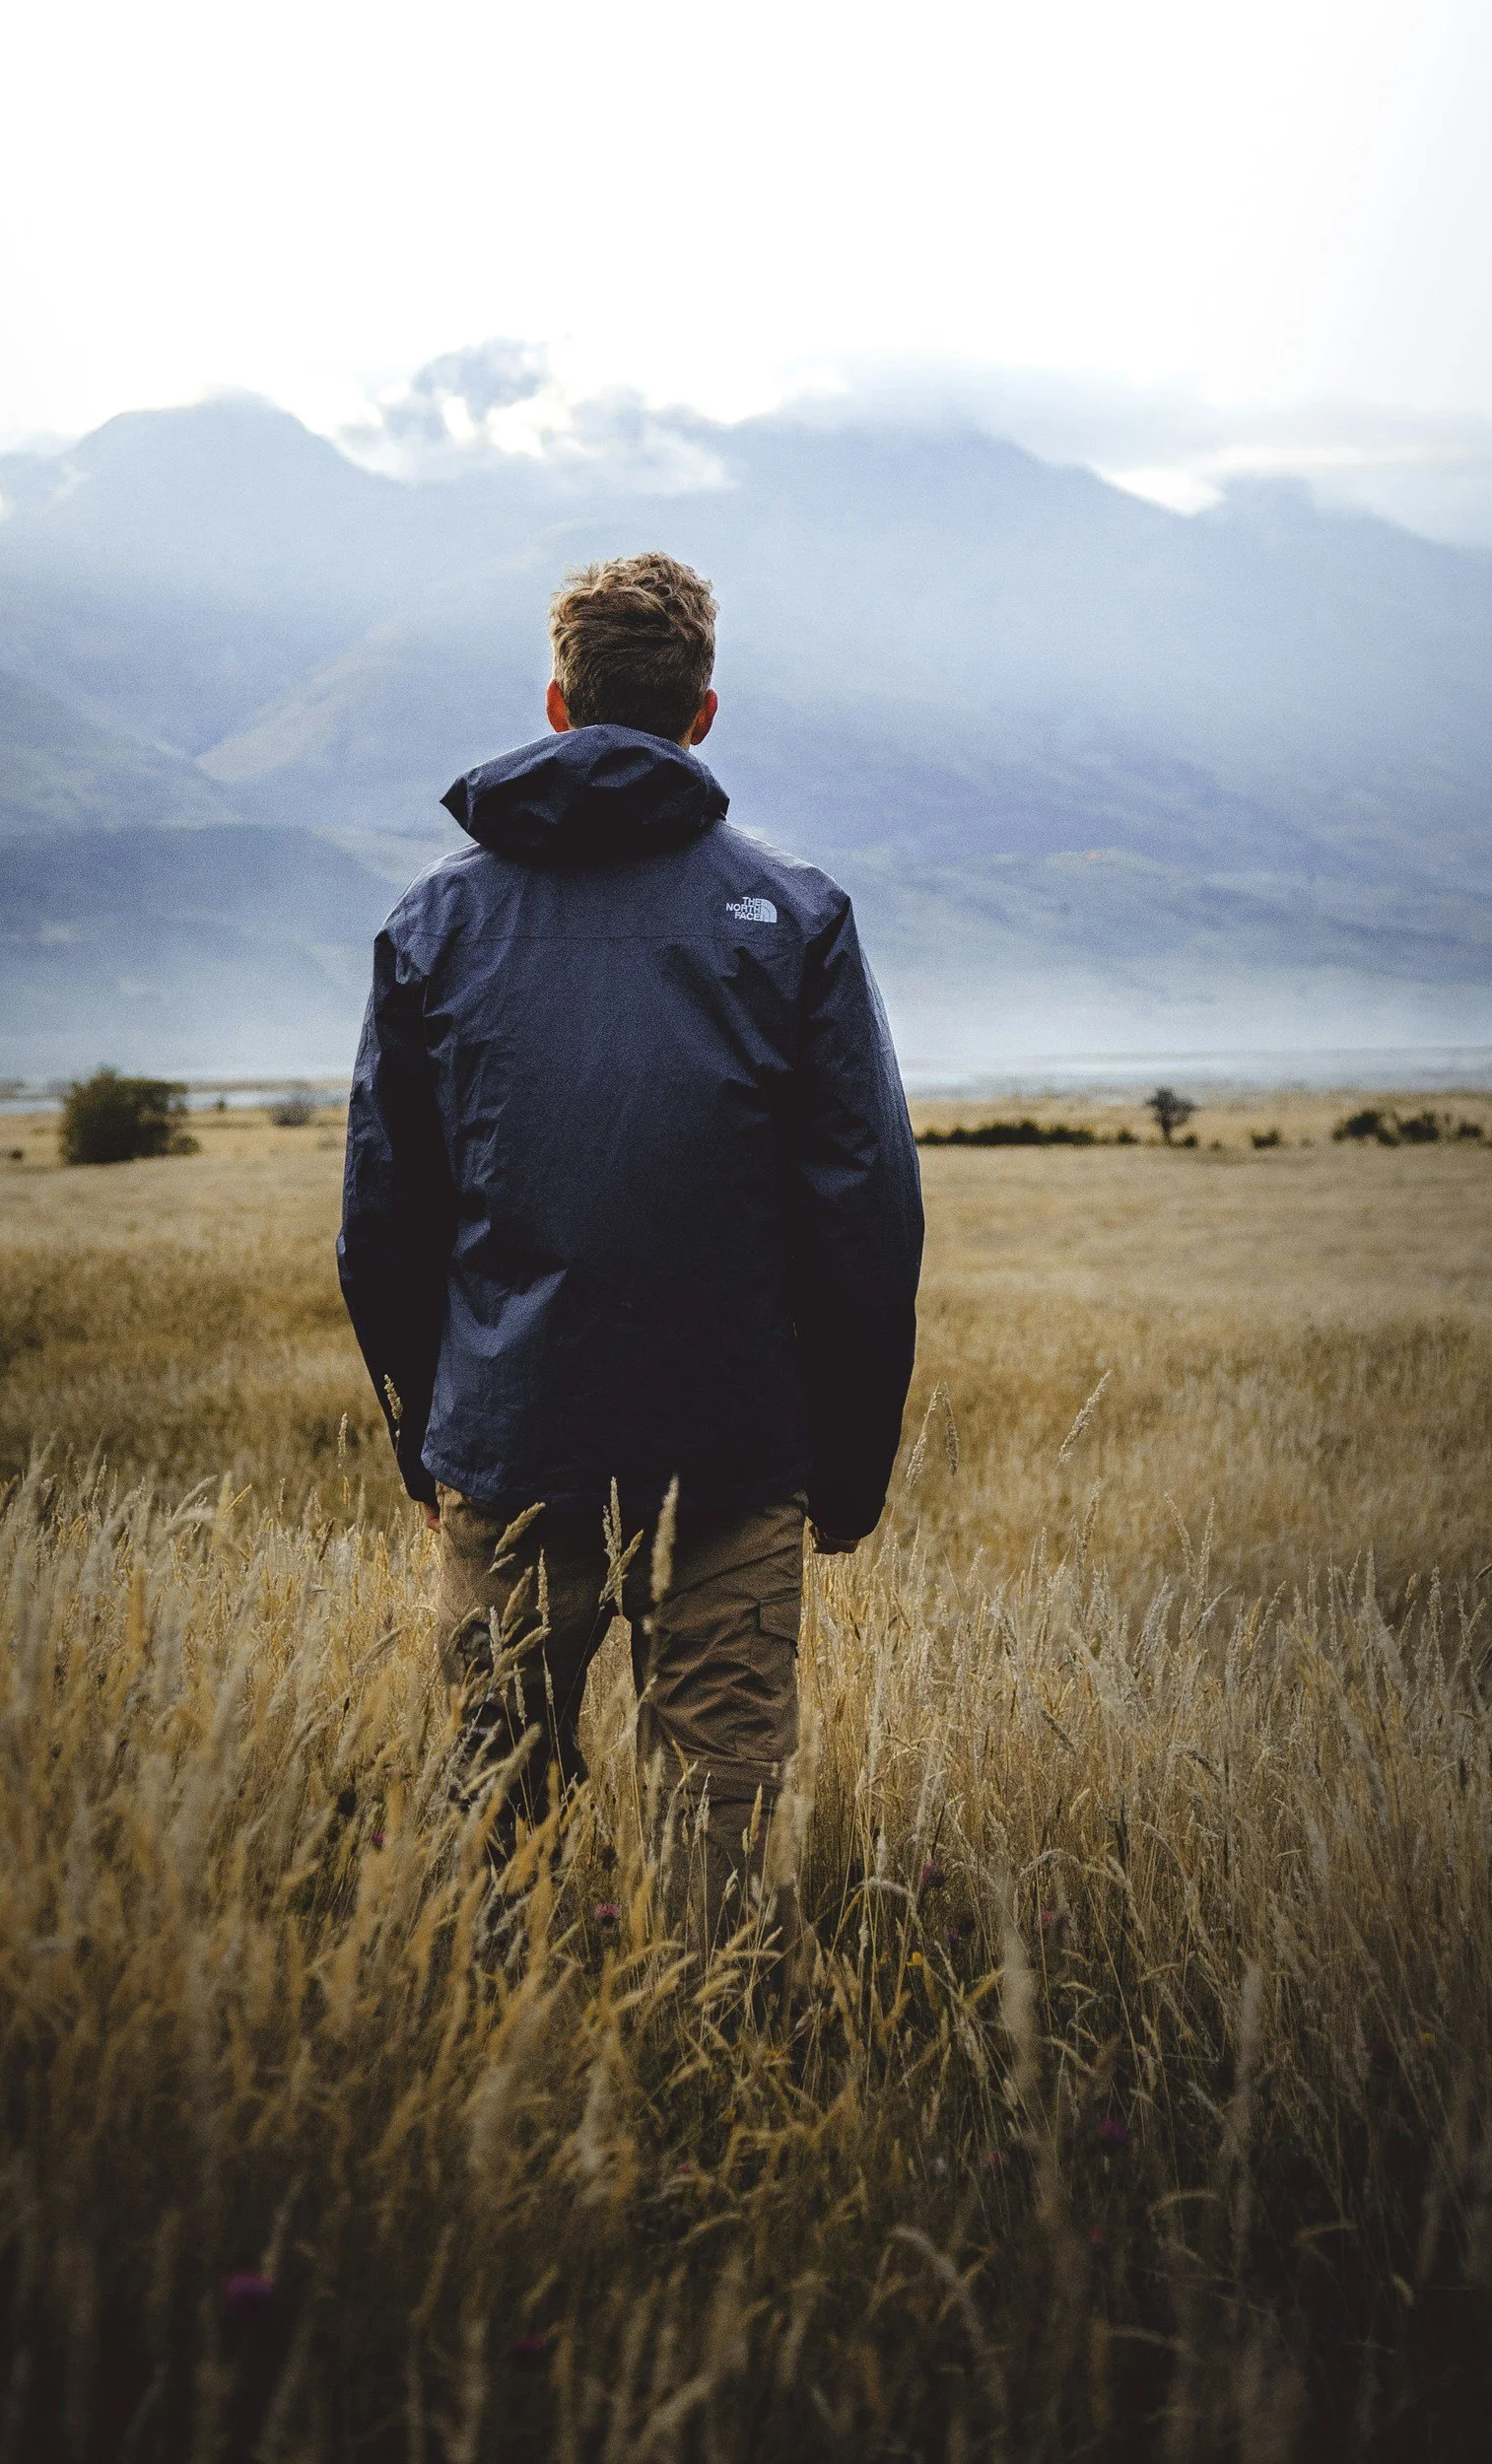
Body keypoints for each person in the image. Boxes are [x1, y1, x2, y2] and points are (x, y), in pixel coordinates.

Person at [338, 551, 922, 1944]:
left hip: (509, 1446)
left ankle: (509, 2095)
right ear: (703, 714)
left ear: (557, 704)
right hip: (735, 1460)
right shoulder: (796, 919)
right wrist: (844, 1467)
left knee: (497, 1819)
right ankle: (712, 2107)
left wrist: (427, 1439)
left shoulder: (434, 924)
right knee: (719, 1839)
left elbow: (383, 1222)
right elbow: (868, 1217)